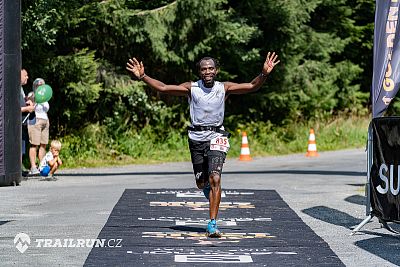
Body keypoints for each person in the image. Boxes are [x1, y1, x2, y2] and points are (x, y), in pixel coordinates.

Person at [126, 52, 280, 237]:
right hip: (196, 138)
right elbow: (164, 88)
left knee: (215, 178)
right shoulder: (192, 88)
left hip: (217, 136)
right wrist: (143, 77)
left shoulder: (224, 88)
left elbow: (251, 86)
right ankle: (206, 188)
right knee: (201, 183)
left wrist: (264, 74)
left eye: (211, 68)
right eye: (204, 69)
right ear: (199, 72)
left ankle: (212, 224)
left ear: (217, 71)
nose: (207, 71)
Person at [27, 78, 50, 176]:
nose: (41, 86)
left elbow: (45, 110)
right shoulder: (32, 95)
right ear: (35, 86)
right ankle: (33, 167)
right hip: (35, 120)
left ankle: (42, 165)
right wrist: (34, 100)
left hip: (45, 120)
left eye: (42, 85)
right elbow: (29, 107)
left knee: (43, 144)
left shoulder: (45, 97)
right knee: (34, 144)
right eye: (39, 85)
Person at [20, 69, 35, 172]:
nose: (27, 77)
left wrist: (26, 101)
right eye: (25, 75)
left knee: (22, 148)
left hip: (23, 123)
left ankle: (19, 168)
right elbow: (10, 108)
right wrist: (27, 109)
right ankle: (17, 169)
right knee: (18, 147)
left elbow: (20, 102)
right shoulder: (14, 88)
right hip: (17, 123)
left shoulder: (20, 88)